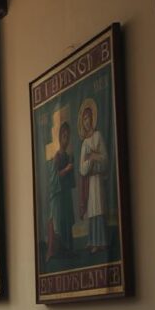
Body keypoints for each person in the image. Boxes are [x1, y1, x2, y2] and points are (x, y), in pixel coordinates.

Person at [78, 102, 109, 254]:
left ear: (92, 119)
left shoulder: (98, 136)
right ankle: (93, 241)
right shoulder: (84, 143)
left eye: (89, 118)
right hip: (90, 181)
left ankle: (101, 241)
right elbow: (81, 168)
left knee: (99, 208)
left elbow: (105, 159)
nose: (87, 121)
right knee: (92, 210)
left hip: (98, 179)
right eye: (84, 119)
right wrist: (90, 160)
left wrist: (94, 156)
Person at [46, 121, 75, 261]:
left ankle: (68, 248)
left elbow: (71, 180)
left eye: (68, 135)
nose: (66, 138)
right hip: (58, 195)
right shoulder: (57, 156)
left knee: (67, 220)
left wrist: (71, 172)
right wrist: (67, 170)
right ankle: (59, 251)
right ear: (59, 137)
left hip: (65, 195)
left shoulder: (68, 156)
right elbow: (54, 177)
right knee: (59, 222)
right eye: (64, 135)